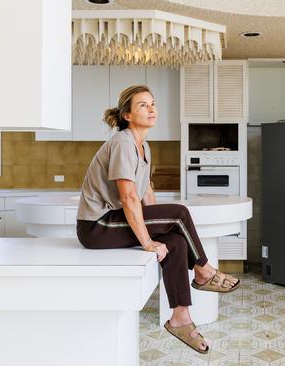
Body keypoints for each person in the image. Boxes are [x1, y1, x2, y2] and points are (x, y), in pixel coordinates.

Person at [76, 85, 240, 354]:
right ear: (127, 115)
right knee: (179, 213)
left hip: (113, 221)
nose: (152, 109)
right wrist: (148, 242)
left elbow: (145, 194)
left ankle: (180, 318)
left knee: (175, 241)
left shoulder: (144, 147)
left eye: (153, 104)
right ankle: (203, 270)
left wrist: (160, 232)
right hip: (97, 226)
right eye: (143, 105)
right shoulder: (122, 142)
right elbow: (128, 197)